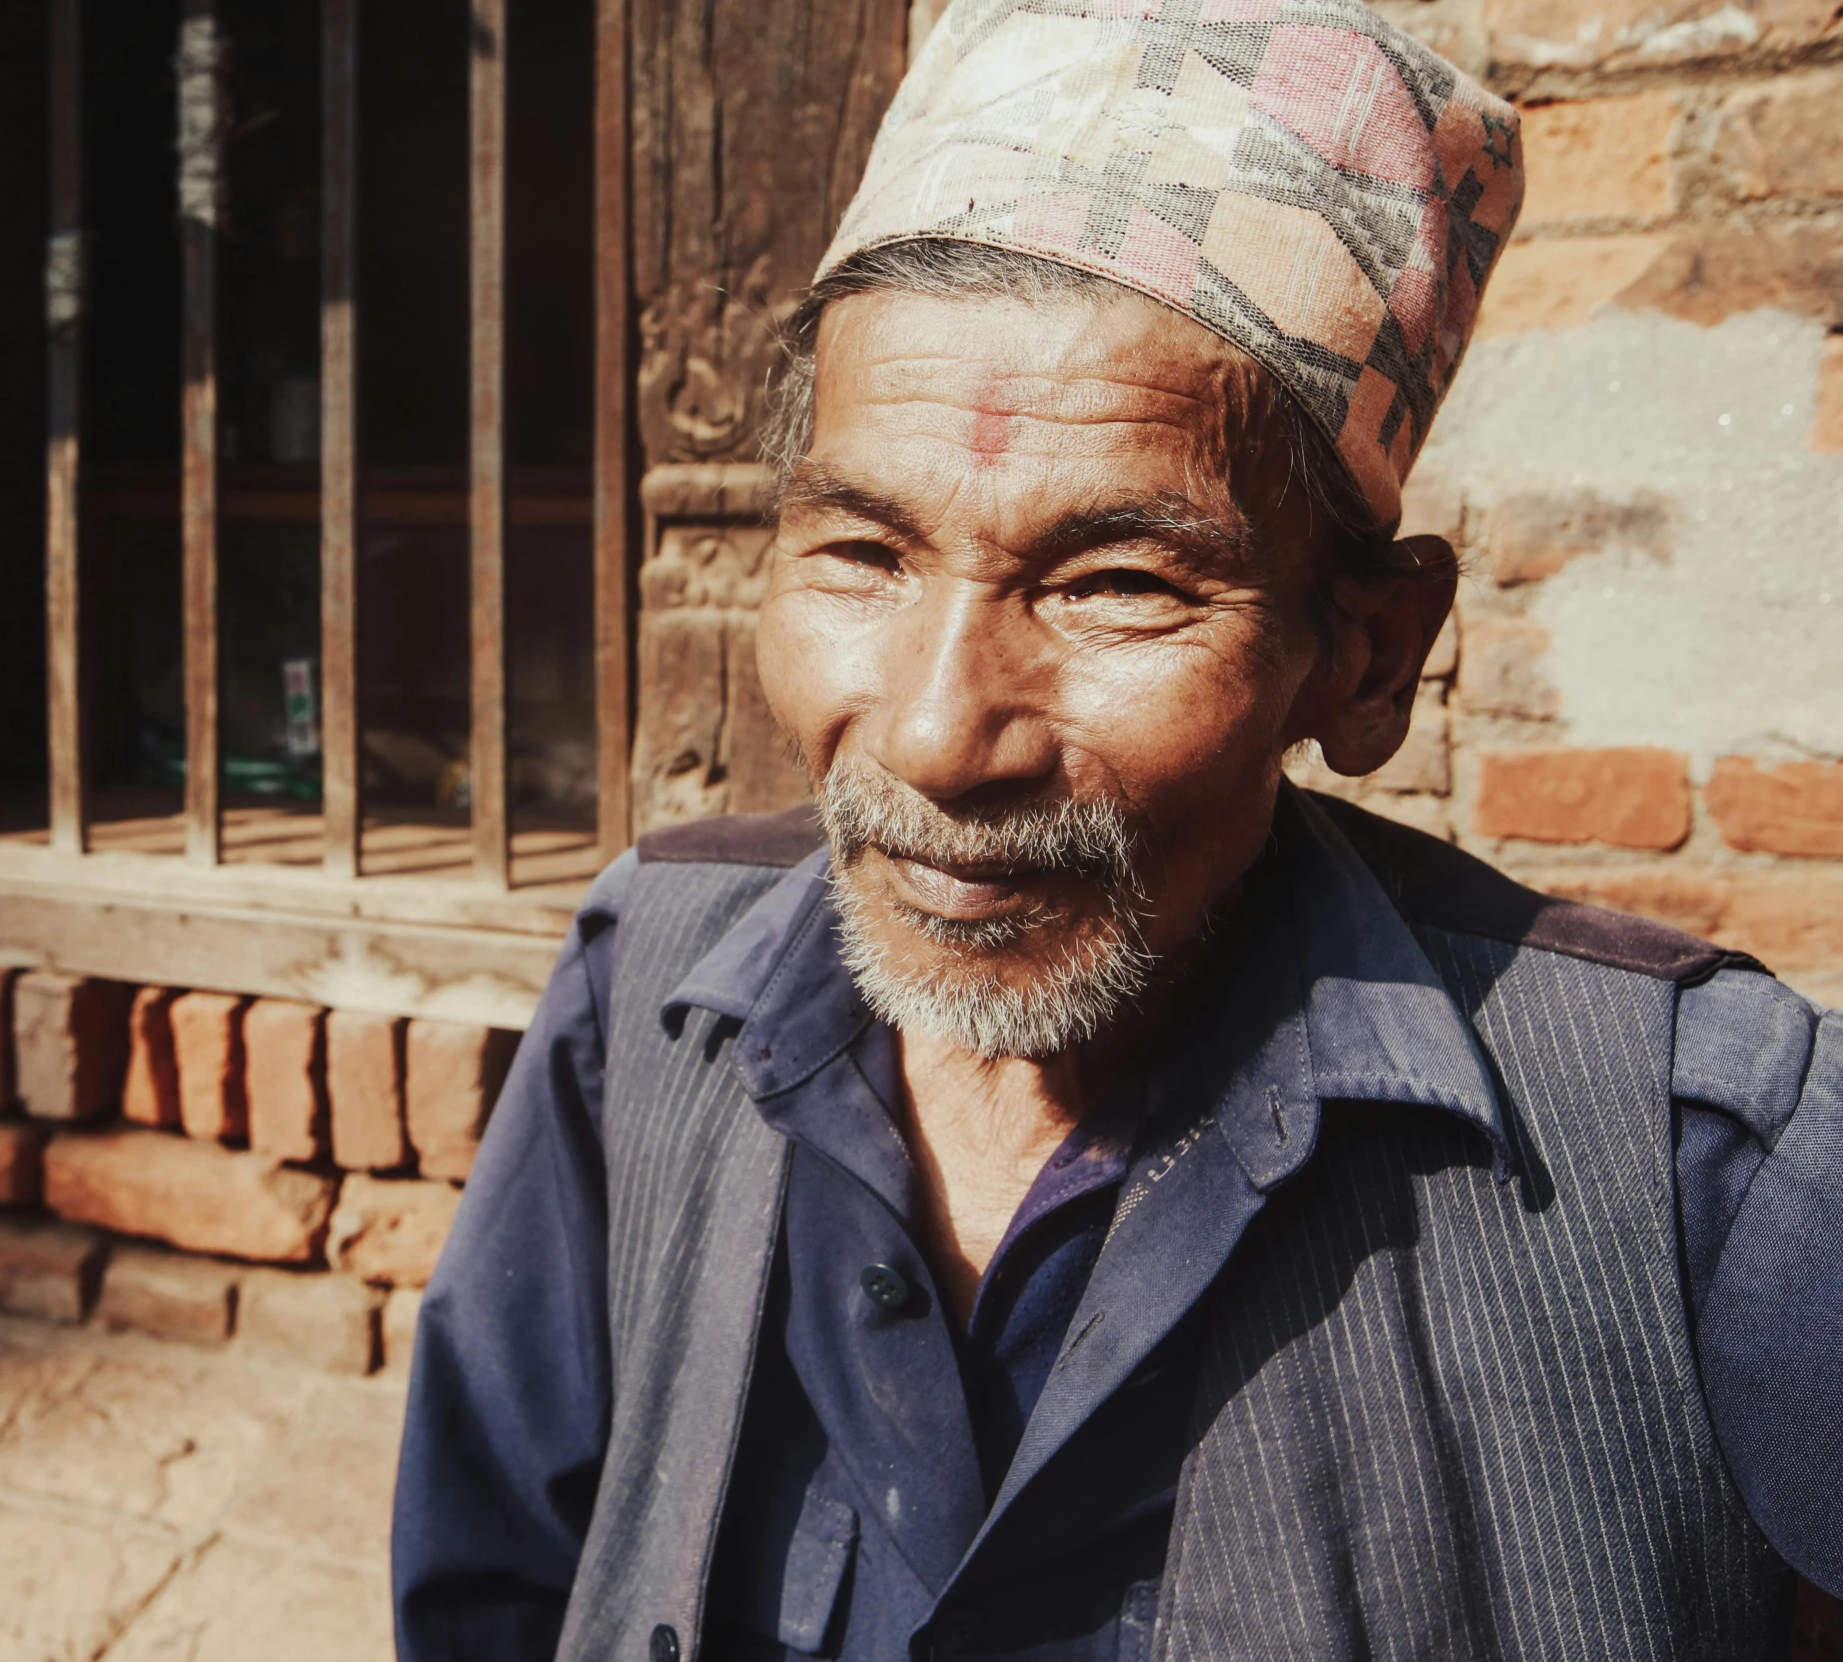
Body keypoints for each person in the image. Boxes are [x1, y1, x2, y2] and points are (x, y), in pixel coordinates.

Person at [394, 2, 1842, 1656]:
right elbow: (492, 1587)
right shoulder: (649, 981)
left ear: (1366, 658)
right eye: (862, 553)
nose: (940, 735)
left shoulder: (1702, 1161)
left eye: (1117, 584)